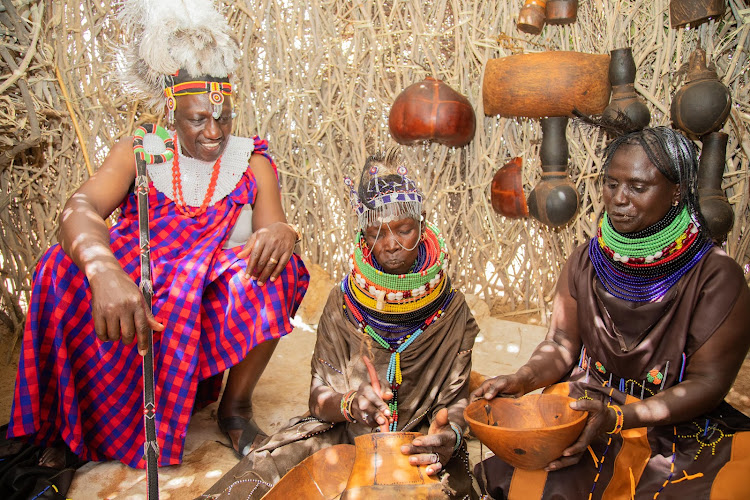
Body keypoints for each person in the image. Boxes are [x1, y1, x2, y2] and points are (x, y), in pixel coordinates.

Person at [7, 0, 309, 470]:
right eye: (198, 120)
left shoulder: (252, 161)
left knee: (279, 271)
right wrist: (104, 270)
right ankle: (64, 420)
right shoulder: (140, 150)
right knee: (57, 266)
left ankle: (235, 407)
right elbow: (80, 208)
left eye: (224, 117)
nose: (214, 131)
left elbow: (271, 229)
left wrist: (284, 233)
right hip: (136, 273)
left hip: (202, 283)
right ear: (172, 110)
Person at [473, 126, 750, 499]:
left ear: (676, 193)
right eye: (611, 183)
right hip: (586, 407)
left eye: (638, 187)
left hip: (673, 422)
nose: (619, 198)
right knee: (536, 479)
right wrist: (523, 379)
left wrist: (621, 418)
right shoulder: (586, 260)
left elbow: (708, 383)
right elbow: (560, 342)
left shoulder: (716, 276)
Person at [203, 150, 480, 499]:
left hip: (419, 442)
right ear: (363, 236)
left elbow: (456, 399)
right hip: (345, 430)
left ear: (423, 223)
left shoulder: (451, 310)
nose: (392, 244)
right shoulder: (343, 302)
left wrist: (450, 435)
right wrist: (350, 403)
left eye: (405, 229)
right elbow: (319, 401)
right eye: (377, 233)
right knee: (272, 474)